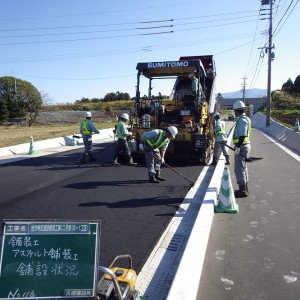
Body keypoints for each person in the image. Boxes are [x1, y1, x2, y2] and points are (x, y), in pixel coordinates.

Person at [232, 100, 251, 198]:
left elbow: (243, 135)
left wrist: (238, 146)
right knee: (243, 167)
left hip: (242, 146)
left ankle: (242, 190)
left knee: (239, 168)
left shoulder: (242, 120)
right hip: (244, 145)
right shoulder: (244, 118)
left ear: (236, 110)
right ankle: (245, 188)